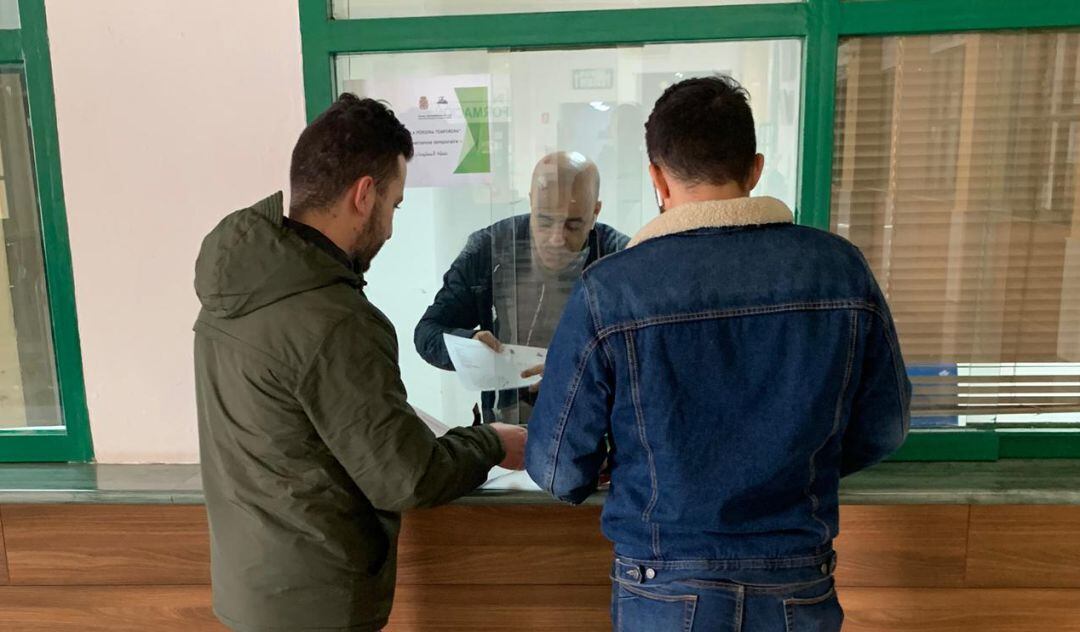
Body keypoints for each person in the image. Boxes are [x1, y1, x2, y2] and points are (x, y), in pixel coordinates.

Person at [525, 76, 911, 631]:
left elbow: (558, 468)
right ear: (754, 169)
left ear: (656, 177)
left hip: (661, 585)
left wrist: (617, 463)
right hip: (795, 579)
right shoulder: (839, 269)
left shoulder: (612, 289)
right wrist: (798, 459)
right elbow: (886, 426)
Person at [193, 94, 527, 632]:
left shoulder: (236, 290)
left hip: (251, 591)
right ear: (364, 195)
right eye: (395, 204)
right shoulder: (334, 318)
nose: (392, 228)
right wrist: (491, 442)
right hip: (317, 604)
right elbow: (405, 477)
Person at [414, 151, 629, 423]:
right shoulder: (489, 250)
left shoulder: (620, 260)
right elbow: (428, 333)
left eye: (573, 225)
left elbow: (646, 358)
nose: (556, 239)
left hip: (594, 427)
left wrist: (580, 368)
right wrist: (470, 345)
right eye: (544, 220)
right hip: (507, 425)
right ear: (531, 201)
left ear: (595, 211)